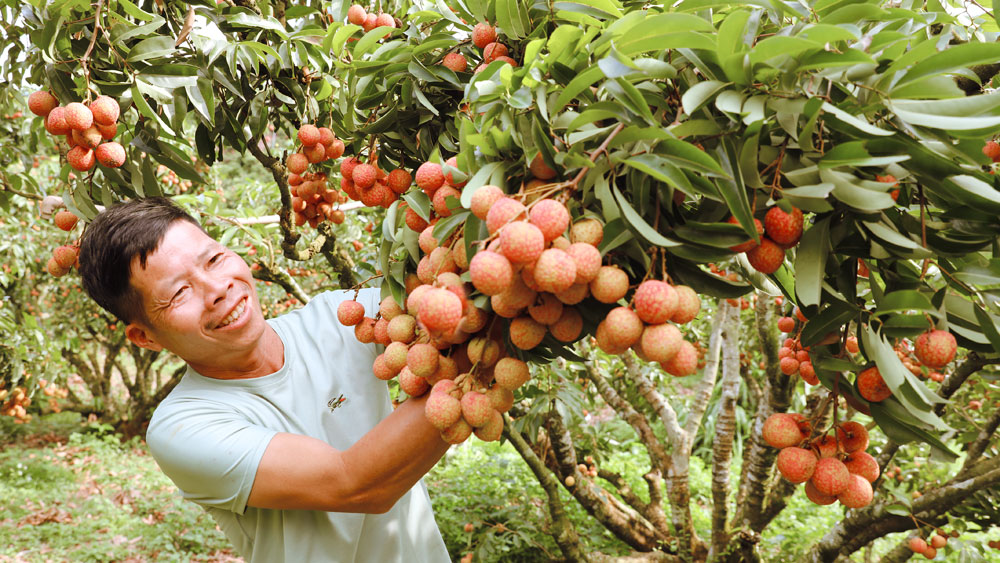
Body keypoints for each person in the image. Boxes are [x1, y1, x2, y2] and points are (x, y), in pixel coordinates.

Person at [77, 197, 451, 562]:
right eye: (179, 293)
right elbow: (357, 484)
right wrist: (474, 357)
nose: (217, 289)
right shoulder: (182, 428)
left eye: (214, 259)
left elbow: (437, 306)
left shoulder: (341, 319)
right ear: (146, 337)